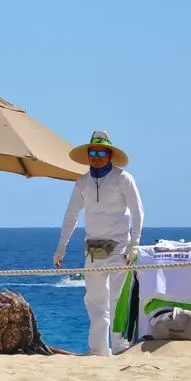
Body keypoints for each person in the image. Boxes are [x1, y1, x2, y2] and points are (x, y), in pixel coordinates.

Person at [54, 130, 144, 356]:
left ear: (110, 154)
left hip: (119, 247)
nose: (96, 156)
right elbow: (71, 215)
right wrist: (62, 245)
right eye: (92, 152)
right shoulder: (82, 182)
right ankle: (99, 350)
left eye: (101, 152)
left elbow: (137, 212)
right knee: (94, 301)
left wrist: (134, 244)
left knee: (117, 299)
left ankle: (121, 347)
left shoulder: (123, 178)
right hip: (93, 247)